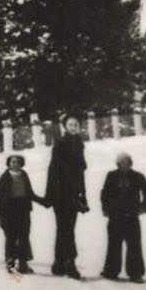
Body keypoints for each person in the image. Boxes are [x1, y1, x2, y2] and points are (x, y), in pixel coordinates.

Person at [43, 113, 89, 279]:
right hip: (60, 191)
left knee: (66, 228)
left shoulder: (79, 144)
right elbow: (53, 168)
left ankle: (59, 263)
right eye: (70, 125)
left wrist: (83, 194)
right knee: (66, 228)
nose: (73, 127)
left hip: (73, 192)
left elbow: (80, 172)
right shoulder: (60, 143)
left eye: (76, 125)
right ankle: (69, 263)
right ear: (65, 127)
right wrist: (50, 194)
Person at [99, 152, 146, 282]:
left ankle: (136, 274)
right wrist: (105, 208)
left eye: (126, 162)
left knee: (134, 246)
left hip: (131, 216)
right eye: (121, 163)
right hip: (115, 216)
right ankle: (111, 272)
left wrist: (144, 206)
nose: (124, 165)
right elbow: (104, 194)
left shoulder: (138, 176)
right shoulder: (111, 176)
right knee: (114, 245)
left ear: (130, 163)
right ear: (118, 164)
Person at [0, 154, 47, 274]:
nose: (15, 164)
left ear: (21, 164)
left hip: (23, 208)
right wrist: (1, 214)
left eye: (18, 162)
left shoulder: (24, 175)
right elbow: (0, 198)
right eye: (13, 162)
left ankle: (23, 264)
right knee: (11, 237)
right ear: (8, 164)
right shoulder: (5, 177)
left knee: (24, 237)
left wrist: (43, 201)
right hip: (9, 210)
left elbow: (30, 193)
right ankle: (11, 264)